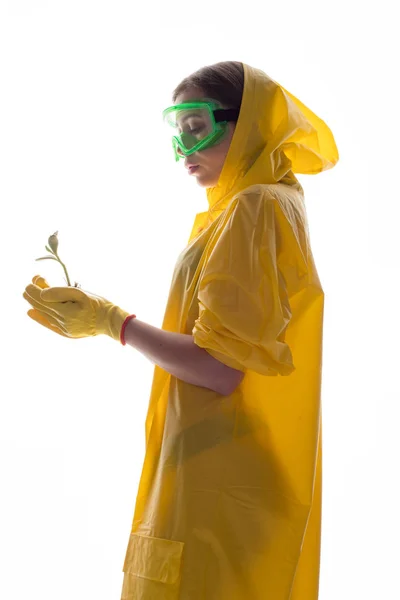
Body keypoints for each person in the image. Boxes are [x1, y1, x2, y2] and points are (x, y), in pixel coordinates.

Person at [23, 61, 339, 600]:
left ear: (251, 122)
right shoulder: (261, 204)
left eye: (197, 126)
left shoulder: (253, 206)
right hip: (221, 477)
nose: (183, 148)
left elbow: (218, 368)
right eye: (178, 132)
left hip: (219, 488)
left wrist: (110, 320)